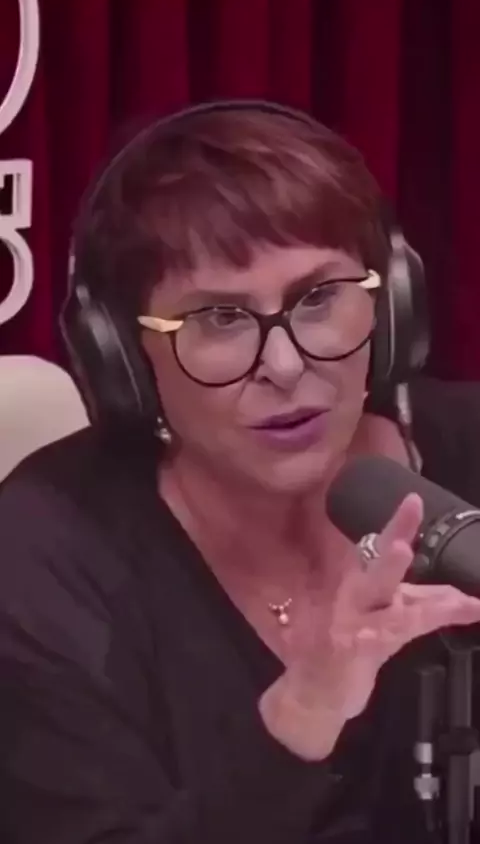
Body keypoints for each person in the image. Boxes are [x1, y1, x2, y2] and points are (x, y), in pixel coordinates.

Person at [0, 102, 479, 844]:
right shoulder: (43, 561)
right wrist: (302, 717)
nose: (284, 366)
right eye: (218, 318)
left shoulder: (466, 449)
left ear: (393, 307)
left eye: (319, 298)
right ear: (124, 357)